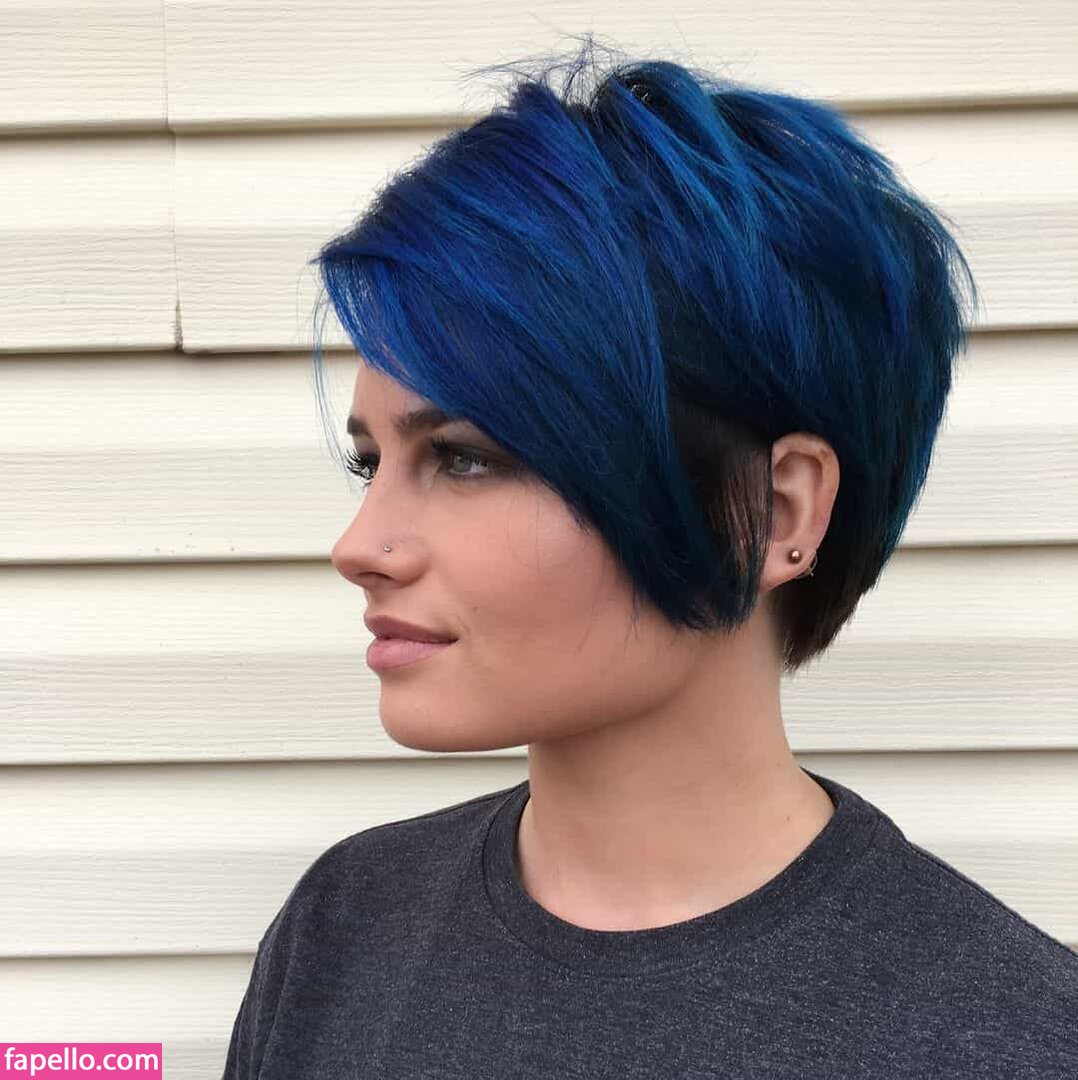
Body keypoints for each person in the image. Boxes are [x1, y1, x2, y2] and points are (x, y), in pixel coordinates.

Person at [222, 38, 1078, 1078]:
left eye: (465, 458)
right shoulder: (346, 927)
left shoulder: (1015, 1036)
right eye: (372, 464)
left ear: (771, 508)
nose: (360, 548)